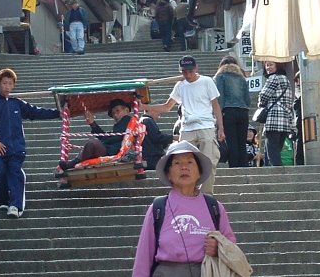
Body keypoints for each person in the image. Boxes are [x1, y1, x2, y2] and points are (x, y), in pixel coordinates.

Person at [130, 141, 237, 277]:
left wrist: (219, 247)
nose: (184, 167)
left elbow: (232, 247)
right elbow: (144, 252)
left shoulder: (214, 207)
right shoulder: (158, 208)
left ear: (199, 173)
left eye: (190, 162)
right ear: (169, 173)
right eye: (177, 163)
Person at [0, 67, 60, 218]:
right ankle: (2, 201)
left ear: (13, 85)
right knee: (0, 173)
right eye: (4, 83)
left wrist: (58, 113)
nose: (7, 87)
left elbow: (35, 112)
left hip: (17, 148)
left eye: (10, 84)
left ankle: (16, 206)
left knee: (15, 173)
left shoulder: (17, 102)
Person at [146, 55, 223, 193]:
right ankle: (184, 192)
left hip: (206, 125)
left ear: (196, 68)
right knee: (181, 161)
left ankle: (206, 194)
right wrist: (142, 107)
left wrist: (220, 127)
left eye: (190, 71)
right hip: (187, 126)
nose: (187, 74)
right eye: (184, 72)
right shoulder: (180, 85)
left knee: (209, 161)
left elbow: (216, 105)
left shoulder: (207, 81)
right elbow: (167, 107)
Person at [65, 98, 171, 168]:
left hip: (119, 152)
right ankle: (76, 162)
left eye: (117, 111)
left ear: (126, 110)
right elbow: (109, 137)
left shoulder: (128, 120)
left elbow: (110, 138)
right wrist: (93, 124)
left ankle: (75, 162)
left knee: (92, 144)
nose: (115, 115)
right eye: (113, 113)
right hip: (114, 150)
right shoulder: (122, 123)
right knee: (93, 145)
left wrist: (93, 125)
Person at [213, 55, 251, 167]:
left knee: (232, 143)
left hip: (228, 112)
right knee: (242, 143)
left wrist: (218, 117)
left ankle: (234, 169)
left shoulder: (220, 77)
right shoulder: (242, 78)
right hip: (243, 112)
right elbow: (248, 100)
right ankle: (244, 168)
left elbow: (220, 98)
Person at [257, 61, 295, 167]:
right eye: (266, 65)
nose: (268, 67)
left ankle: (278, 173)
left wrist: (260, 102)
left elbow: (263, 96)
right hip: (285, 120)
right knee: (277, 149)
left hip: (274, 118)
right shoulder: (286, 79)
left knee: (272, 150)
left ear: (277, 65)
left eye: (271, 64)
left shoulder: (273, 78)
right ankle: (275, 171)